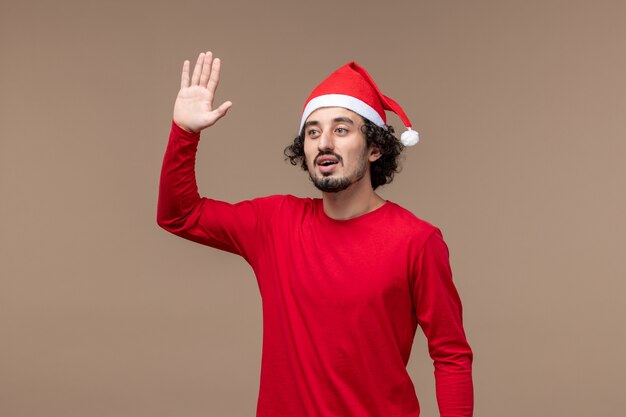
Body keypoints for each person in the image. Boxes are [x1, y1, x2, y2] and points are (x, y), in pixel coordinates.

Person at [157, 51, 473, 417]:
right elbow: (179, 215)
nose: (324, 142)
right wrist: (185, 133)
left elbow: (451, 355)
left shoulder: (417, 241)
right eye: (313, 132)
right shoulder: (274, 223)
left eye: (341, 129)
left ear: (374, 148)